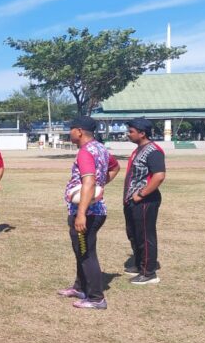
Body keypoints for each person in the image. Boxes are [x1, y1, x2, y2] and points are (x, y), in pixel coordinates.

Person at [57, 116, 120, 310]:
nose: (70, 133)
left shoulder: (85, 152)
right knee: (81, 250)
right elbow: (115, 167)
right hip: (95, 210)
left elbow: (89, 181)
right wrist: (101, 187)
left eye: (71, 129)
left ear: (79, 131)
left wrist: (81, 212)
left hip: (88, 213)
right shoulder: (100, 148)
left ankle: (95, 298)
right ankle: (80, 287)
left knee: (86, 253)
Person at [122, 118, 166, 285]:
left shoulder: (153, 151)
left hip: (145, 201)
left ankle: (149, 272)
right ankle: (140, 264)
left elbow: (159, 176)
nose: (128, 134)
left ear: (142, 133)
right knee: (134, 234)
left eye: (131, 131)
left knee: (145, 235)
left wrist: (141, 194)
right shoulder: (139, 149)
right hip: (133, 201)